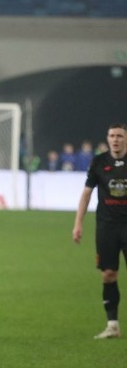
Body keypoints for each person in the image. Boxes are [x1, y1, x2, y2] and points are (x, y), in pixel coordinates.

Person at [72, 122, 127, 339]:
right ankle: (112, 325)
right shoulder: (99, 162)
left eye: (120, 136)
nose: (115, 139)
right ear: (107, 138)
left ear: (126, 138)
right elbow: (86, 194)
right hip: (107, 227)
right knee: (108, 274)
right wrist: (78, 223)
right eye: (112, 135)